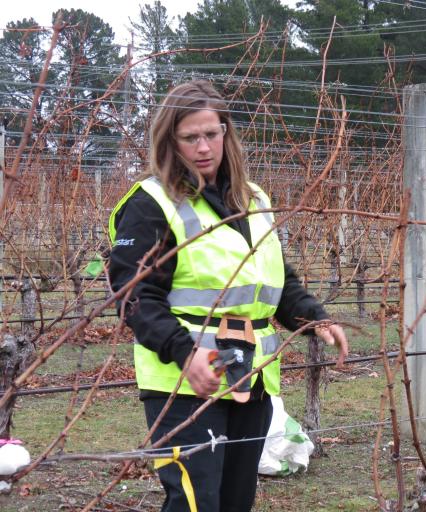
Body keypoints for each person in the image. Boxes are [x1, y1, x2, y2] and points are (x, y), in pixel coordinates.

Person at [108, 80, 348, 512]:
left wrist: (314, 318)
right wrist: (183, 352)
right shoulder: (152, 203)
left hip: (248, 377)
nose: (203, 147)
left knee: (237, 501)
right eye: (190, 137)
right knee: (196, 502)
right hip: (183, 383)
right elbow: (134, 294)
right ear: (170, 141)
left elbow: (274, 279)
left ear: (226, 133)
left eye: (212, 134)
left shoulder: (253, 198)